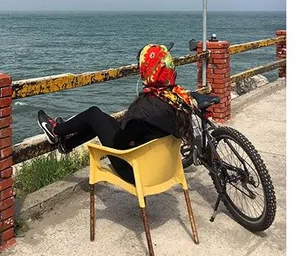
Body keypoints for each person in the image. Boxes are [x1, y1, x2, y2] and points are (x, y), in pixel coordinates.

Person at [37, 43, 195, 185]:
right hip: (164, 170)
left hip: (135, 172)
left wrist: (124, 125)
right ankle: (66, 144)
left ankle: (56, 130)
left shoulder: (145, 108)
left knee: (93, 115)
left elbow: (120, 142)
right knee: (99, 120)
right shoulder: (179, 99)